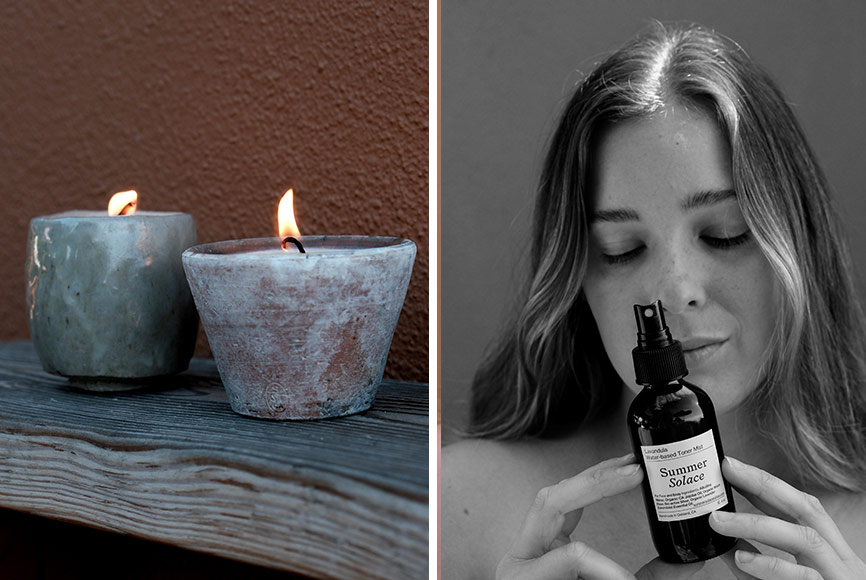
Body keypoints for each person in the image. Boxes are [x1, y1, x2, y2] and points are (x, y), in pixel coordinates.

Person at [442, 21, 866, 579]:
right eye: (621, 250)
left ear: (798, 247)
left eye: (725, 234)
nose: (676, 293)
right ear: (575, 277)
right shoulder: (465, 506)